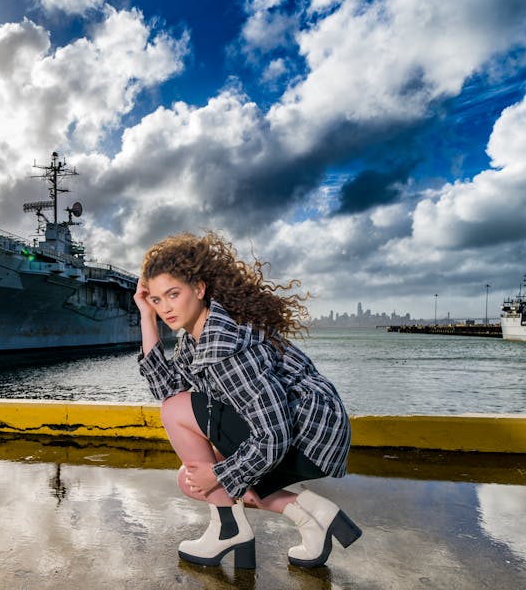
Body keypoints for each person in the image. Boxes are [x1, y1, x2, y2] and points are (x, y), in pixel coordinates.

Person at [134, 231, 360, 569]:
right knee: (192, 477)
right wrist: (145, 317)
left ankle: (228, 527)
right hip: (298, 431)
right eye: (156, 299)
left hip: (308, 436)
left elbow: (273, 435)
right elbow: (168, 387)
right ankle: (312, 516)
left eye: (173, 294)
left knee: (203, 460)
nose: (165, 307)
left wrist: (222, 476)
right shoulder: (195, 339)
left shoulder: (227, 346)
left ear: (199, 289)